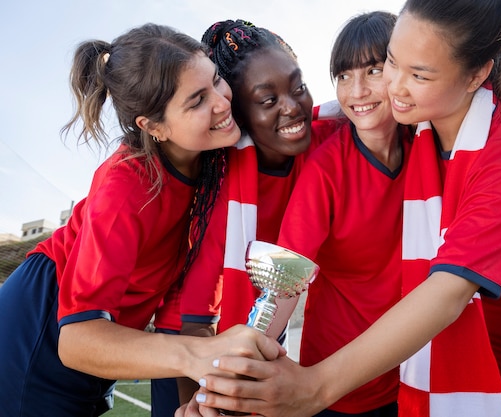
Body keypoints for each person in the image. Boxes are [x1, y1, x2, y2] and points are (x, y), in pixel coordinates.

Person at [191, 1, 501, 416]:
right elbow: (301, 130)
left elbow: (448, 292)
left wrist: (313, 388)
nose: (395, 87)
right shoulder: (411, 124)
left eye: (417, 74)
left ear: (476, 75)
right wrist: (226, 385)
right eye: (393, 61)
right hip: (485, 347)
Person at [0, 23, 285, 417]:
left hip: (97, 345)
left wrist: (197, 403)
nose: (222, 102)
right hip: (35, 337)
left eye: (216, 80)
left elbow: (181, 313)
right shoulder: (127, 184)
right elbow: (78, 340)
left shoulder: (212, 162)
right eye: (197, 100)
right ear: (154, 127)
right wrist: (199, 354)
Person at [165, 19, 341, 409]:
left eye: (298, 88)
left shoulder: (329, 141)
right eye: (268, 100)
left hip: (265, 320)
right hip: (185, 340)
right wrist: (199, 403)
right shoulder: (220, 184)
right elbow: (195, 314)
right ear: (238, 114)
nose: (293, 107)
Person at [274, 11, 409, 416]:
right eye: (344, 76)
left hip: (415, 371)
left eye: (373, 70)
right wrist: (245, 358)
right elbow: (286, 276)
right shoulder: (327, 167)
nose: (358, 91)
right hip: (337, 383)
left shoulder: (428, 143)